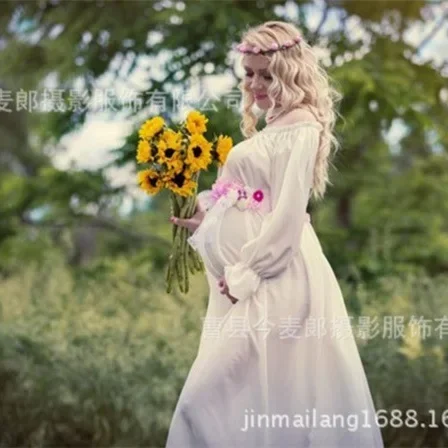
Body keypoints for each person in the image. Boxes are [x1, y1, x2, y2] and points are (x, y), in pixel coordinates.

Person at [165, 20, 384, 448]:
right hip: (250, 284)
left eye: (267, 74)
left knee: (205, 400)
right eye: (249, 73)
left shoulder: (301, 125)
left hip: (272, 281)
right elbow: (253, 201)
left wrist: (247, 272)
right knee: (258, 401)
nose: (256, 83)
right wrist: (206, 221)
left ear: (289, 72)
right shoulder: (275, 124)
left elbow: (286, 216)